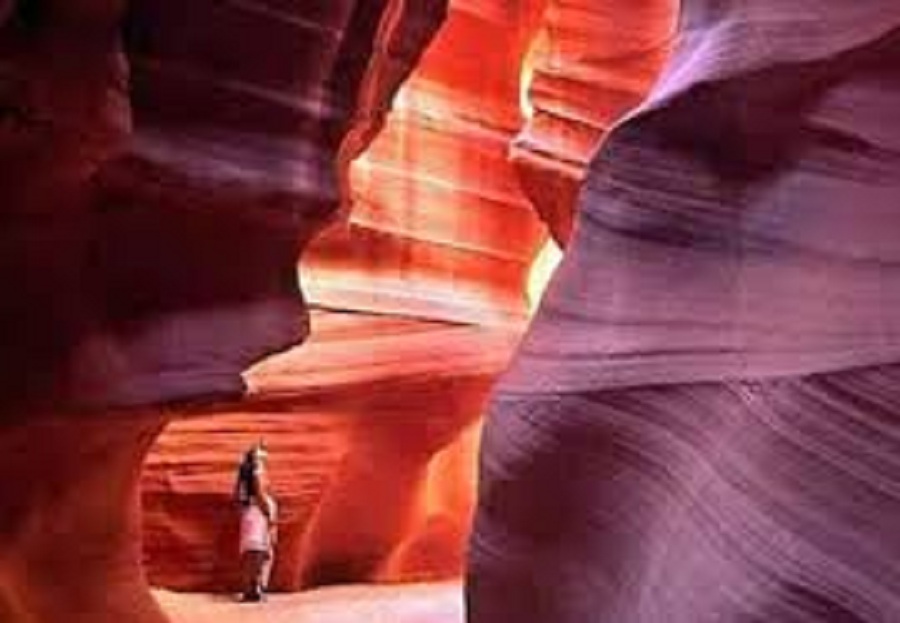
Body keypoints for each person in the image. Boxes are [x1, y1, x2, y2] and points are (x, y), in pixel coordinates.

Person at [234, 442, 278, 602]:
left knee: (251, 551)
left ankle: (250, 588)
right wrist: (268, 514)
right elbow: (260, 493)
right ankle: (256, 587)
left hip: (249, 511)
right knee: (259, 550)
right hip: (258, 512)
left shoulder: (243, 474)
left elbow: (239, 496)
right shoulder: (257, 470)